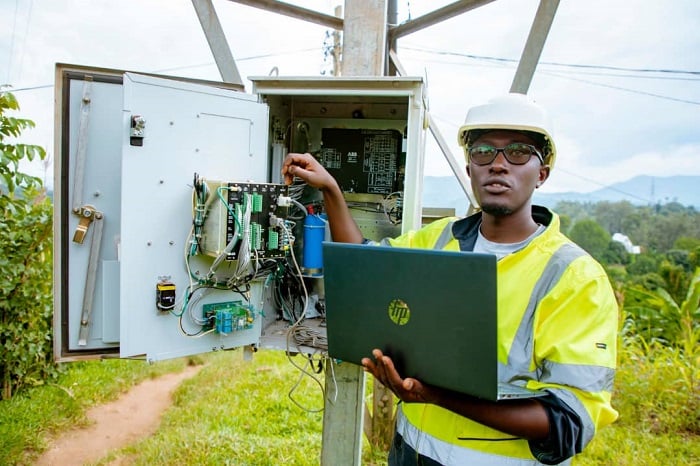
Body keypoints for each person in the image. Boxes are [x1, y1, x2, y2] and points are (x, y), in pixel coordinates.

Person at [281, 93, 618, 466]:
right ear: (470, 166)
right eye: (484, 151)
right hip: (410, 450)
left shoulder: (573, 276)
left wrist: (435, 395)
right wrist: (331, 190)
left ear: (542, 173)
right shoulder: (439, 239)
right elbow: (365, 262)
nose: (499, 165)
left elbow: (569, 421)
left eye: (518, 152)